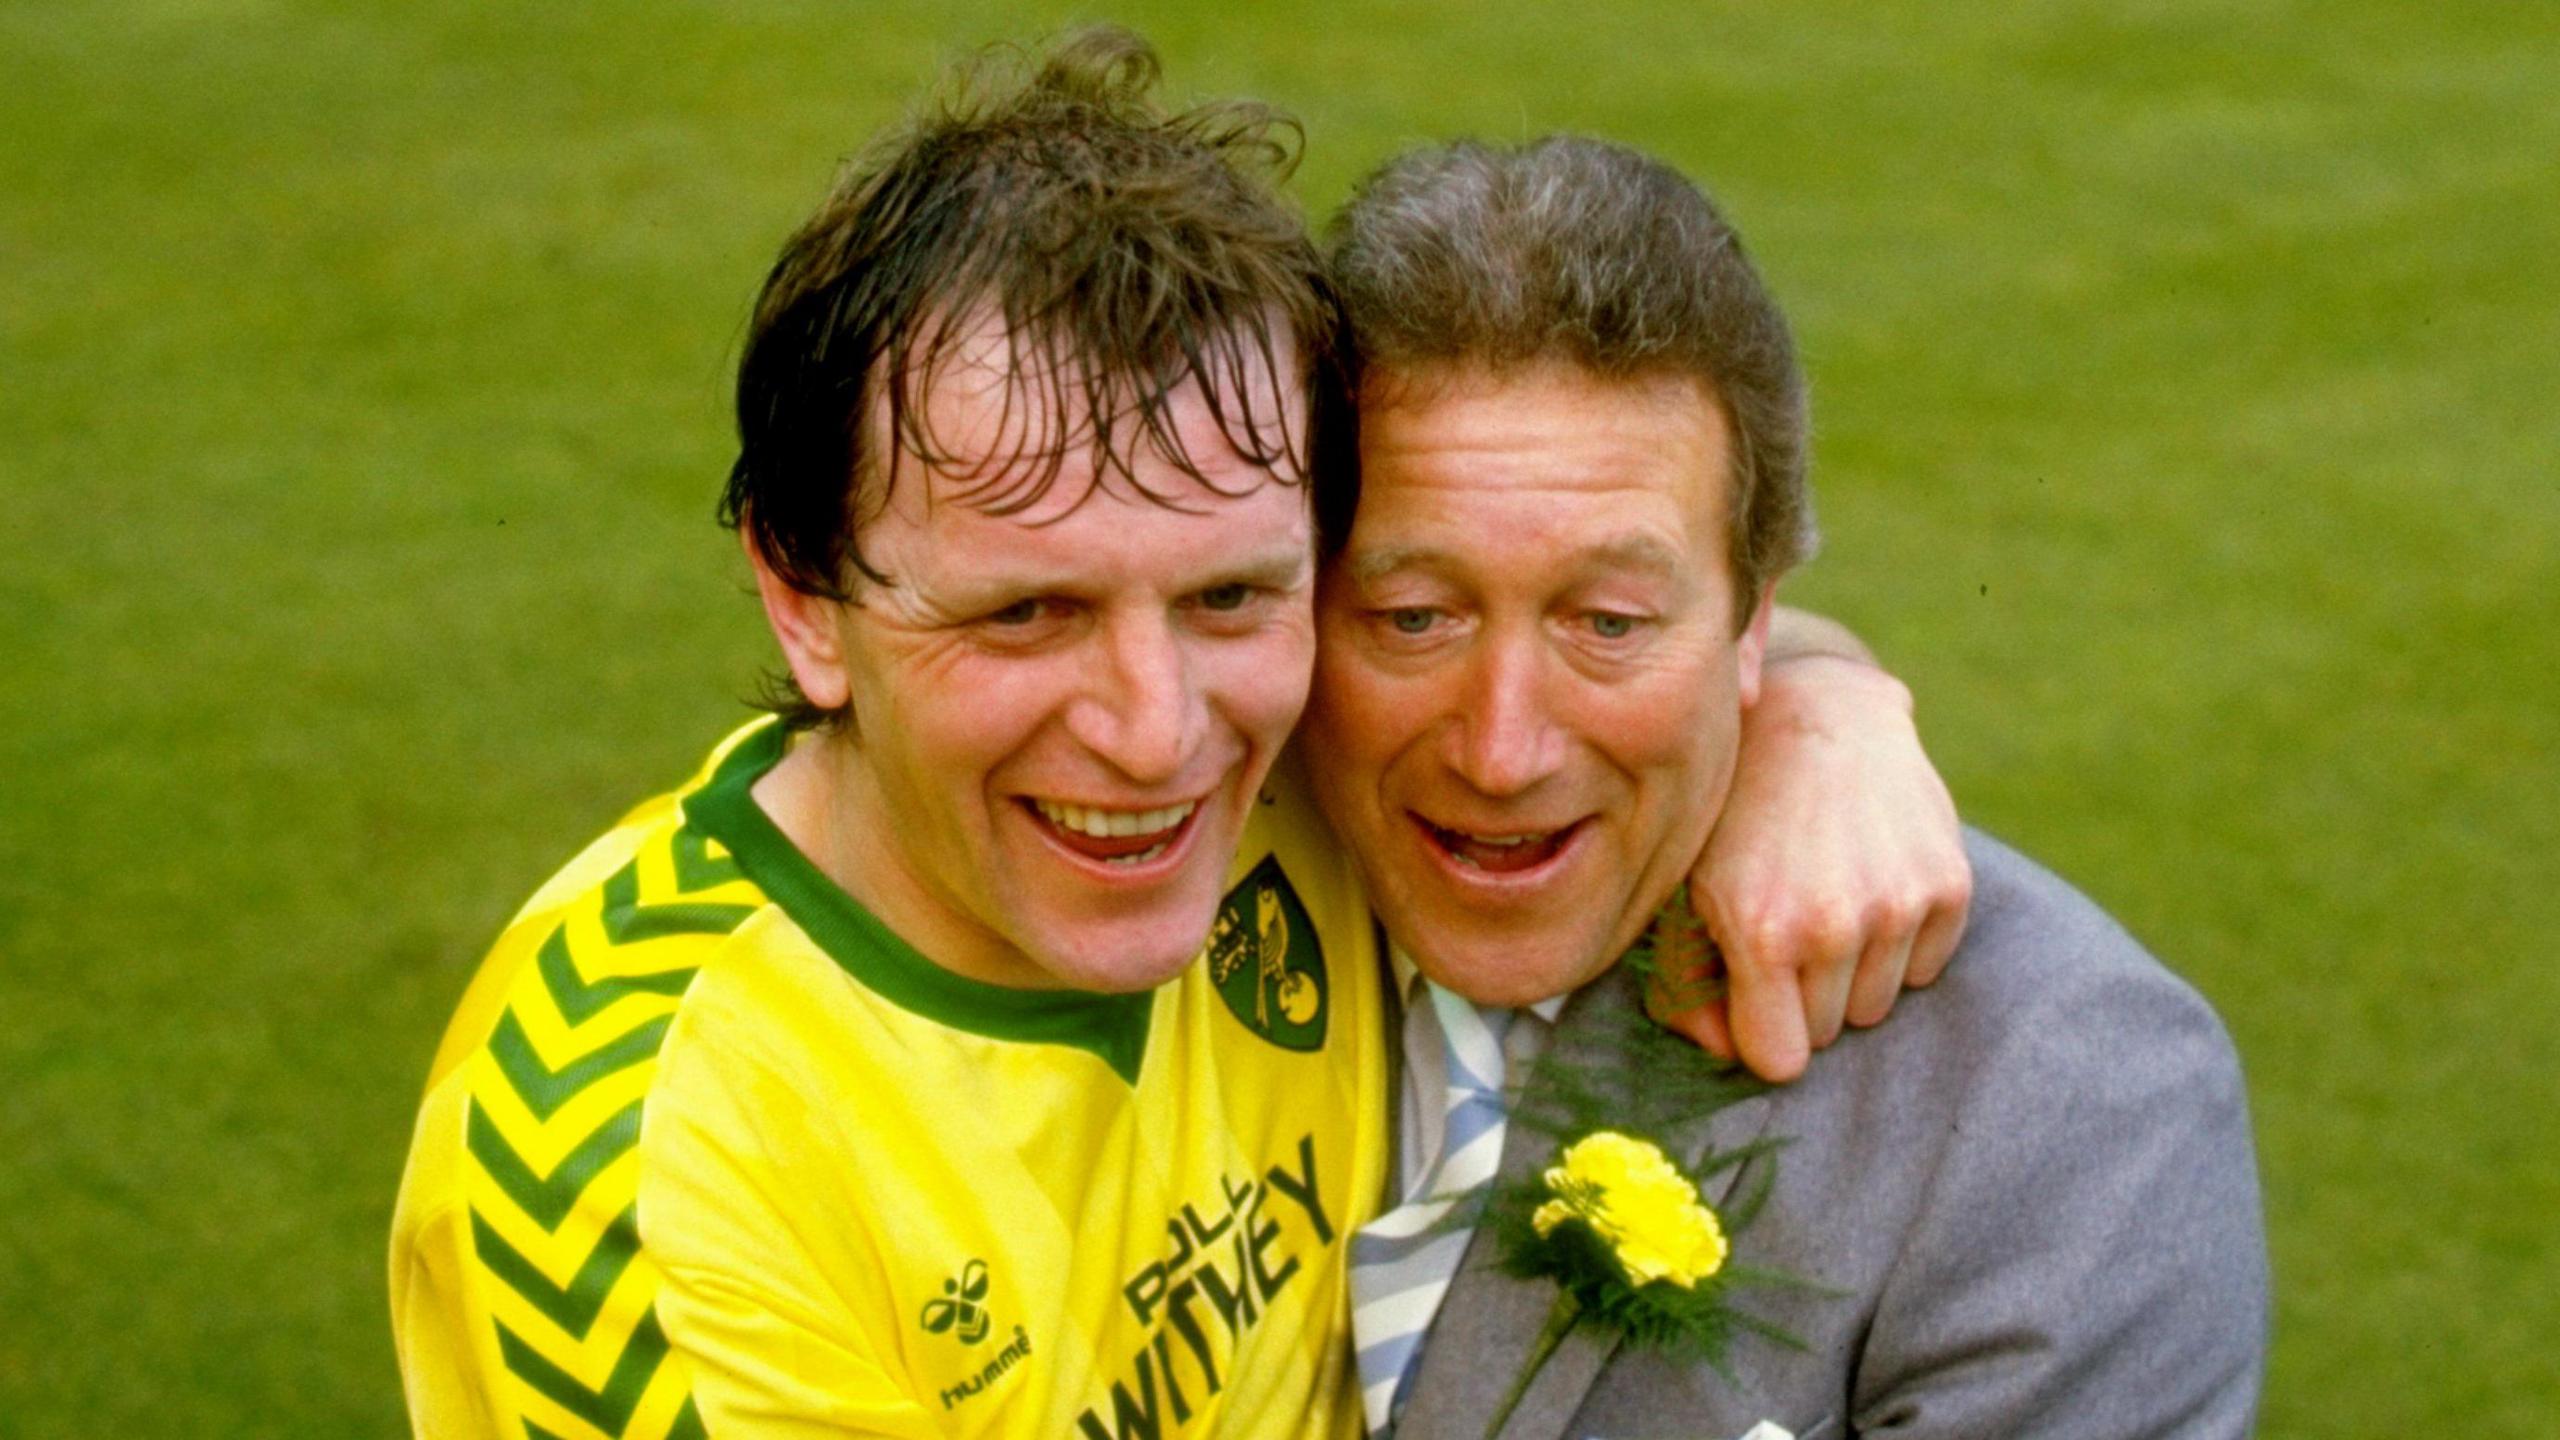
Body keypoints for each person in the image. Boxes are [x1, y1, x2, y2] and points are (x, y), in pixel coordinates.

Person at [388, 33, 1968, 1440]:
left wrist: (1825, 707)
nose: (1158, 740)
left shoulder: (1304, 768)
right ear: (806, 600)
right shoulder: (636, 1170)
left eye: (1227, 596)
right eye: (1027, 615)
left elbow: (1583, 639)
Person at [1311, 135, 2269, 1439]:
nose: (1502, 749)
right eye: (1414, 615)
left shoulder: (2065, 1106)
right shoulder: (1165, 881)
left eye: (1608, 624)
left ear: (1755, 619)